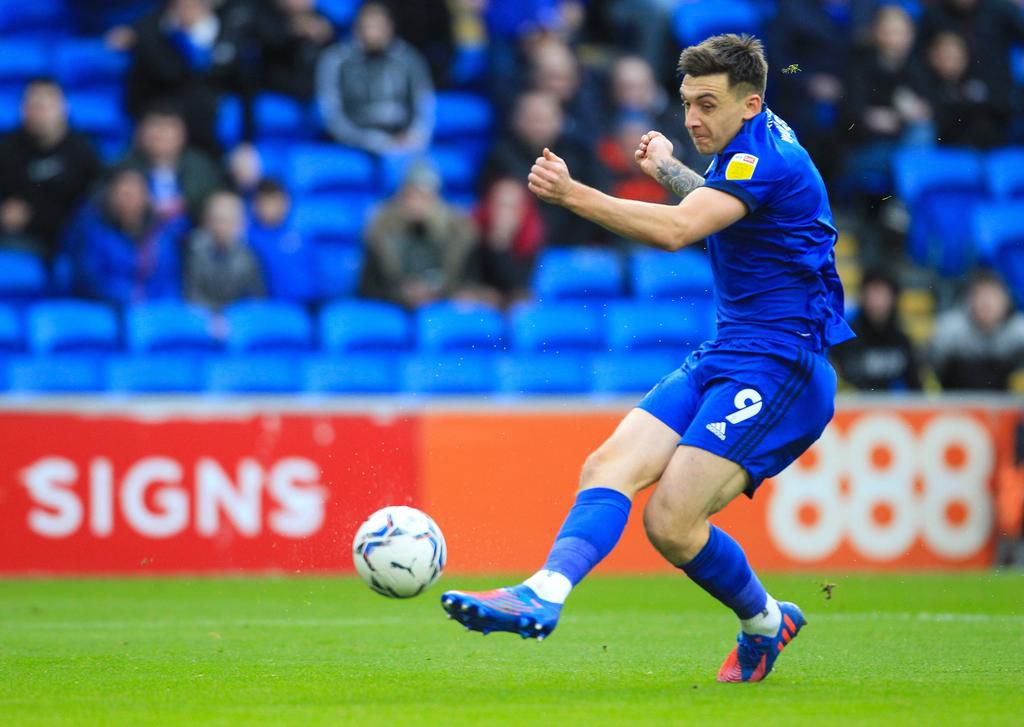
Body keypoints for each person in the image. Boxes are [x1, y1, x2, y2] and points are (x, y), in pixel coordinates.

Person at [441, 34, 854, 684]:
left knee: (669, 521)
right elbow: (722, 207)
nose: (691, 119)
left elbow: (678, 229)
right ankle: (543, 592)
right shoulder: (747, 145)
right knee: (607, 463)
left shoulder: (769, 157)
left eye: (707, 105)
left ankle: (767, 623)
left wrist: (573, 193)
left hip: (783, 364)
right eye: (687, 102)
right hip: (729, 348)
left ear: (750, 103)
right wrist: (668, 166)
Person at [0, 78, 102, 260]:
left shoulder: (83, 152)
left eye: (45, 105)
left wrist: (33, 215)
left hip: (70, 239)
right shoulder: (7, 149)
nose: (38, 112)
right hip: (19, 240)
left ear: (63, 108)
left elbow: (94, 204)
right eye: (32, 105)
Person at [315, 1, 435, 155]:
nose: (373, 33)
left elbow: (424, 105)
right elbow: (331, 114)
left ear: (390, 27)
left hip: (404, 143)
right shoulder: (336, 59)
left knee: (421, 172)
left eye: (379, 26)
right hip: (354, 144)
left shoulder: (409, 58)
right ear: (356, 28)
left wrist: (414, 137)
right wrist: (375, 142)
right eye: (367, 26)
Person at [359, 161, 481, 308]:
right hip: (396, 307)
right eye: (411, 195)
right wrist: (403, 294)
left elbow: (468, 283)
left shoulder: (458, 232)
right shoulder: (381, 230)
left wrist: (442, 293)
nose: (416, 203)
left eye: (423, 196)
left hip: (443, 305)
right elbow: (368, 289)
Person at [67, 168, 186, 304]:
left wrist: (156, 305)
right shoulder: (92, 232)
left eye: (135, 193)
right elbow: (92, 279)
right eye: (124, 194)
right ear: (111, 197)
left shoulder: (163, 235)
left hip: (154, 310)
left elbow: (170, 281)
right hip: (109, 309)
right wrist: (133, 297)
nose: (129, 200)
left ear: (147, 197)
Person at [115, 101, 224, 223]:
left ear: (183, 134)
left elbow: (214, 198)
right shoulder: (123, 168)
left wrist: (185, 203)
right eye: (155, 126)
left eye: (168, 127)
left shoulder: (200, 167)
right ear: (140, 133)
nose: (161, 134)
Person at [930, 270, 1024, 390]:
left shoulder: (1019, 331)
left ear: (1006, 300)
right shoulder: (950, 330)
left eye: (993, 296)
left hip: (1006, 403)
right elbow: (933, 370)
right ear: (969, 301)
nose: (987, 303)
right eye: (981, 296)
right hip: (956, 400)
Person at [832, 268, 922, 391]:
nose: (877, 302)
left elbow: (917, 389)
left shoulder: (902, 342)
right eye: (872, 293)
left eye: (882, 294)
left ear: (893, 298)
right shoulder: (845, 339)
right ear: (862, 296)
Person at [184, 190, 266, 310]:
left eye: (229, 220)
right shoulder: (194, 250)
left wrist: (232, 318)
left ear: (240, 223)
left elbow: (256, 297)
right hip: (203, 318)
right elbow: (191, 294)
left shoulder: (249, 255)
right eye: (218, 219)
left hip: (238, 319)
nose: (222, 227)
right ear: (207, 221)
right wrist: (215, 316)